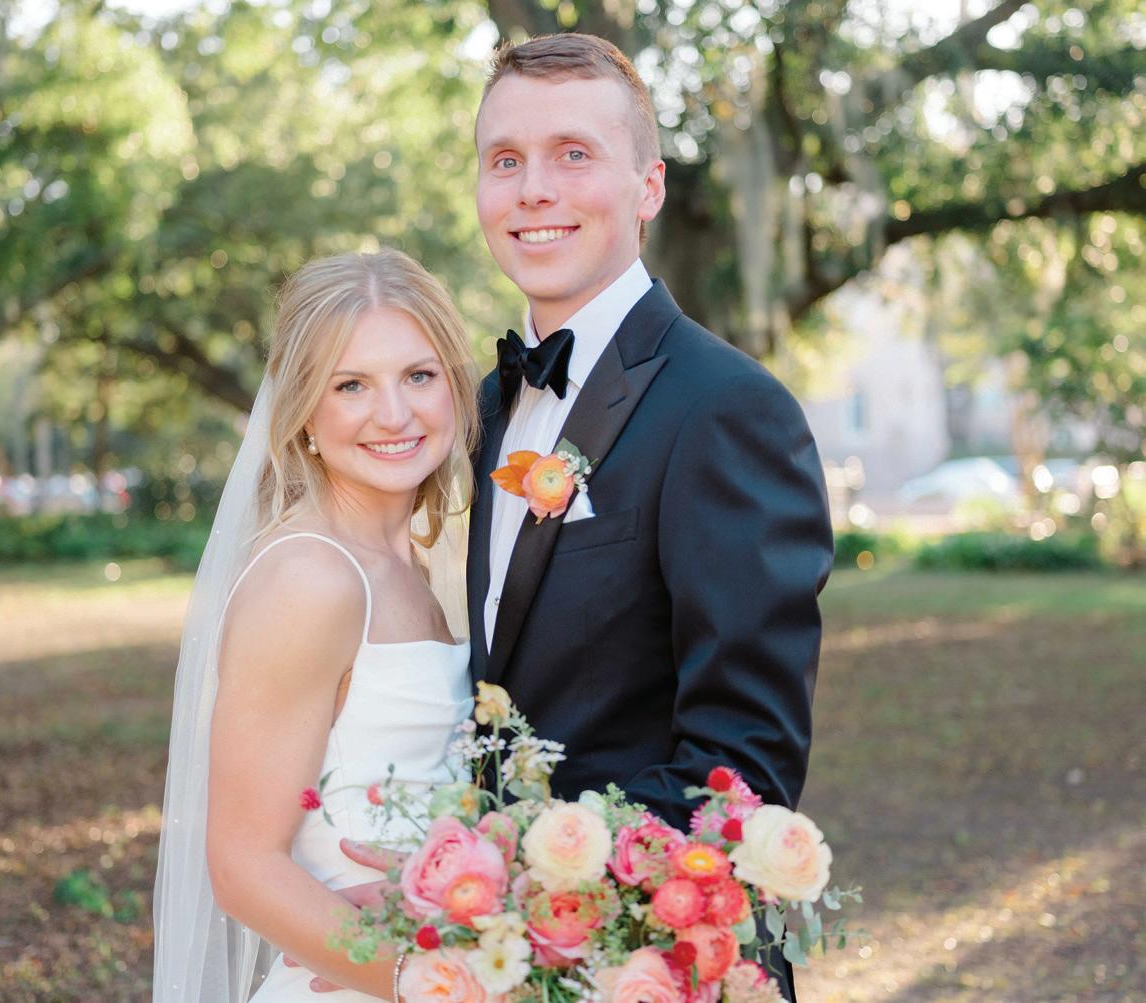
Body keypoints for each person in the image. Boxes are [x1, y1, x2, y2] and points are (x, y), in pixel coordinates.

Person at [337, 33, 833, 1002]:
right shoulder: (475, 409)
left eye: (572, 154)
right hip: (493, 963)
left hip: (655, 962)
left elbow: (741, 769)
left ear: (648, 187)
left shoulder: (726, 409)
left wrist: (509, 889)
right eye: (504, 160)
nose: (533, 190)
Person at [151, 249, 480, 1003]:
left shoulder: (412, 564)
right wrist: (432, 980)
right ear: (303, 409)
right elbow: (242, 864)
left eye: (418, 375)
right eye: (350, 385)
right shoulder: (311, 578)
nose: (393, 414)